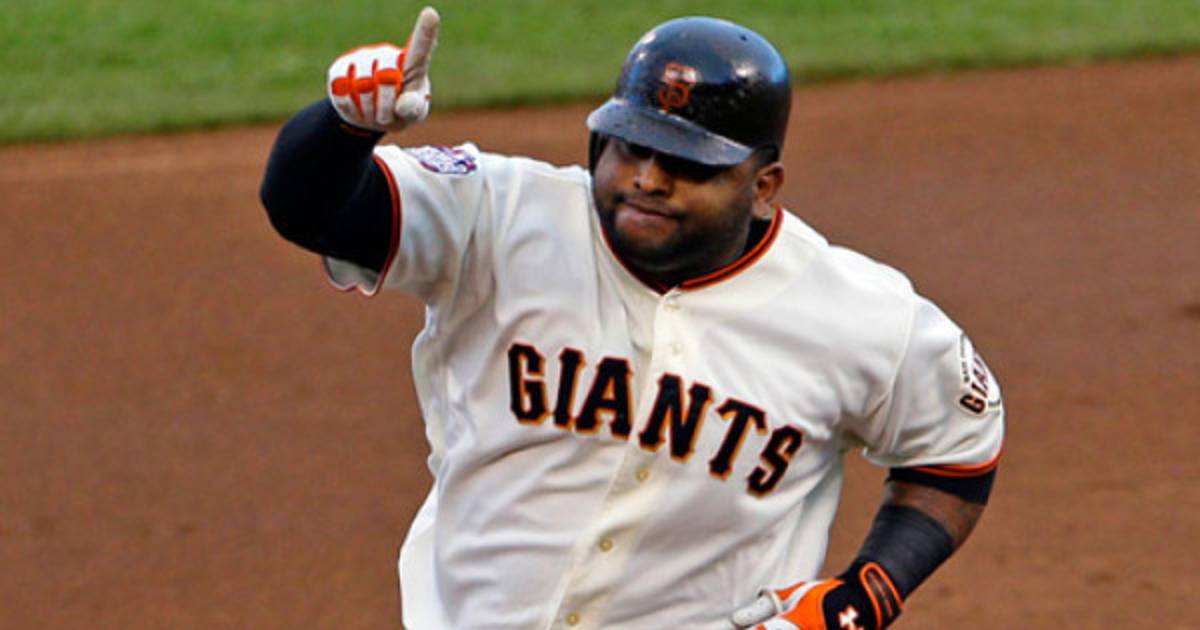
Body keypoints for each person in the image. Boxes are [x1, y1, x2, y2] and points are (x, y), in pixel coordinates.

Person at [259, 7, 1004, 629]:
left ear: (764, 185)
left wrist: (865, 596)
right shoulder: (500, 215)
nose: (648, 179)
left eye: (688, 164)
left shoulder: (858, 315)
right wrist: (342, 128)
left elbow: (956, 448)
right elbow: (309, 208)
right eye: (632, 148)